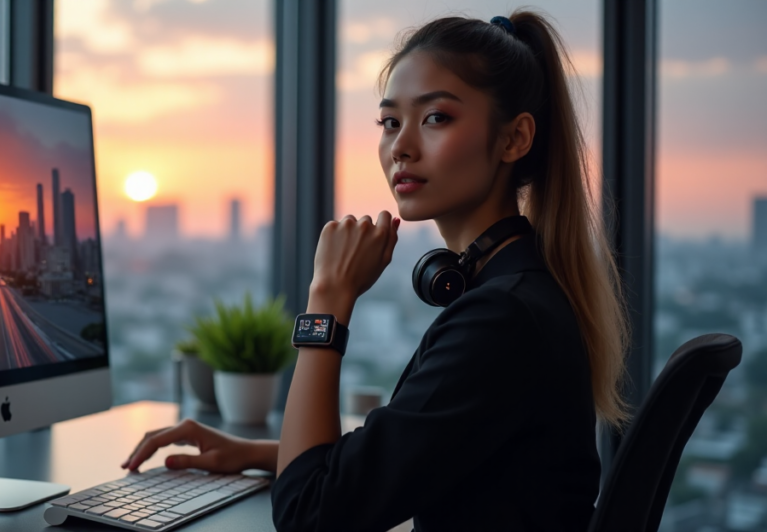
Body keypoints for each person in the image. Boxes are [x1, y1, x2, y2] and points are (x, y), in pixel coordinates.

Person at [121, 9, 629, 532]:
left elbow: (308, 516)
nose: (401, 147)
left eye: (436, 118)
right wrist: (264, 452)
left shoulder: (500, 319)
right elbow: (420, 455)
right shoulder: (520, 288)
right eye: (390, 122)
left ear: (514, 139)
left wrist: (328, 298)